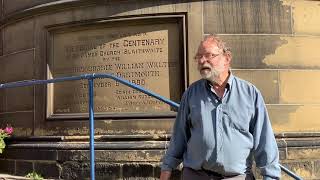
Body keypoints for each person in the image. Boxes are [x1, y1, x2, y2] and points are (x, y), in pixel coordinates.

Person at [160, 35, 281, 180]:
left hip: (236, 177)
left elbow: (264, 140)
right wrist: (166, 168)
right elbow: (179, 137)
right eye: (199, 56)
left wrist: (271, 176)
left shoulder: (250, 93)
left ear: (227, 58)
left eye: (208, 55)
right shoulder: (191, 94)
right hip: (196, 175)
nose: (202, 61)